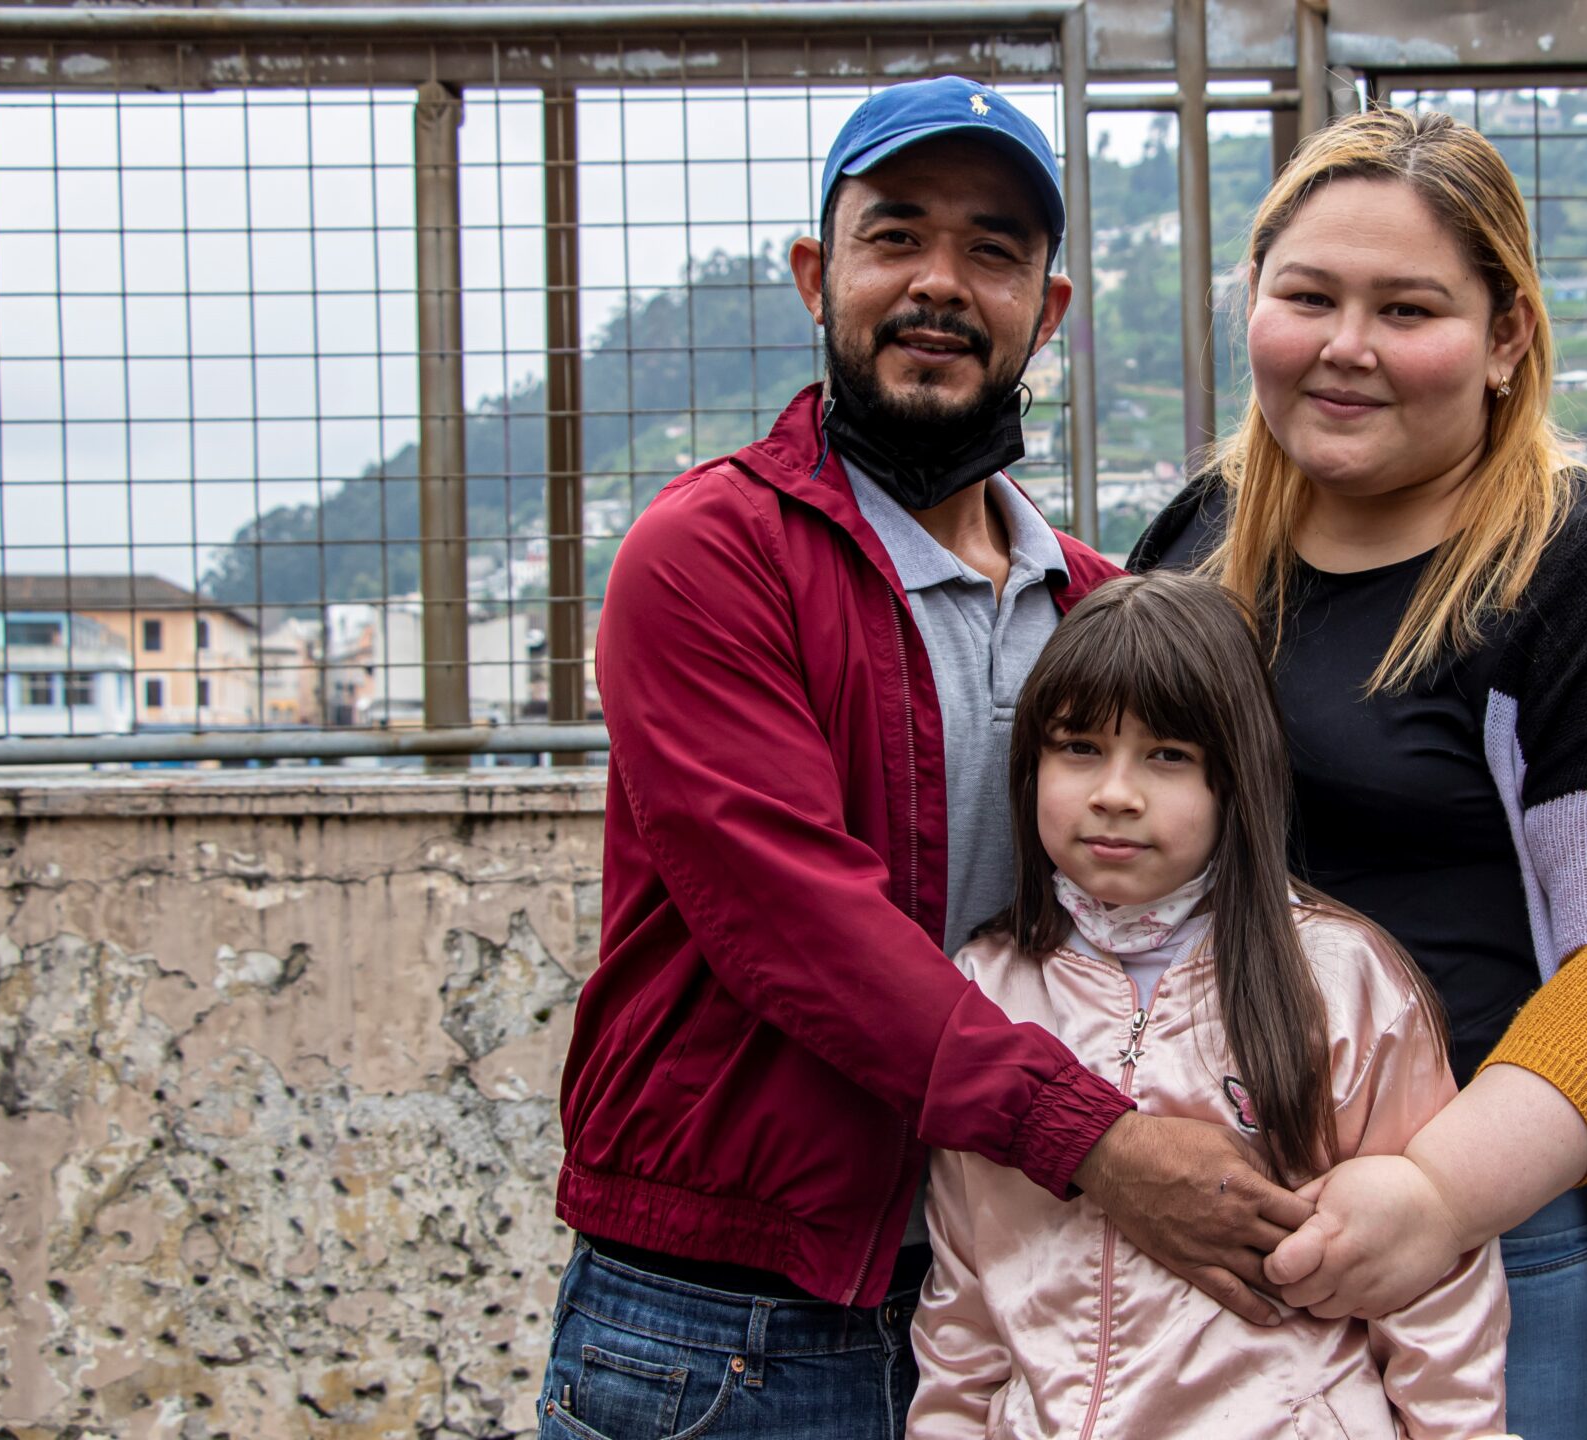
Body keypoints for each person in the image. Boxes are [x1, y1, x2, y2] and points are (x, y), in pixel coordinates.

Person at [539, 76, 1309, 1440]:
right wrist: (1107, 1145)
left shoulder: (1093, 603)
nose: (939, 283)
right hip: (732, 1322)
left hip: (1017, 1284)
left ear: (1049, 311)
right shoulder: (709, 556)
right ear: (813, 275)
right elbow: (801, 928)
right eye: (895, 236)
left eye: (993, 251)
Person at [1132, 107, 1587, 1436]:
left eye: (1408, 308)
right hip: (1262, 1244)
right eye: (1306, 295)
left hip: (1531, 1242)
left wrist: (1437, 1196)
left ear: (1506, 338)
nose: (1345, 347)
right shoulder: (1198, 544)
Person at [907, 573, 1509, 1440]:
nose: (1116, 791)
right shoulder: (984, 993)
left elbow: (1433, 1284)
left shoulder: (1341, 982)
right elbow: (965, 1288)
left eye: (1168, 756)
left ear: (1237, 780)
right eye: (1078, 747)